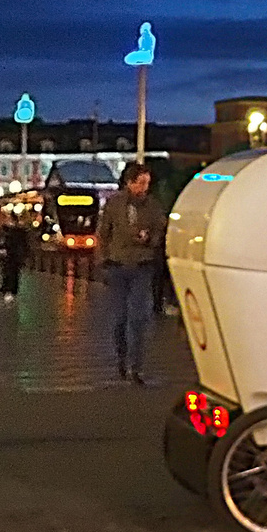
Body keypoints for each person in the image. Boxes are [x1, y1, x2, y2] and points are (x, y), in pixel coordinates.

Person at [98, 162, 168, 383]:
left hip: (142, 266)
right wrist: (103, 260)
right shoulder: (114, 204)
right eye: (141, 183)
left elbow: (160, 229)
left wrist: (150, 239)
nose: (145, 187)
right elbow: (103, 232)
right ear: (129, 183)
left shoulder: (153, 206)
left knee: (139, 318)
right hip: (118, 265)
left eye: (147, 183)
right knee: (119, 318)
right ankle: (121, 360)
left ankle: (136, 366)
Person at [0, 220, 29, 303]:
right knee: (9, 273)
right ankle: (9, 290)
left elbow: (24, 245)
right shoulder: (4, 231)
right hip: (9, 257)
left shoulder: (18, 232)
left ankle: (10, 291)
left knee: (12, 274)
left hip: (14, 256)